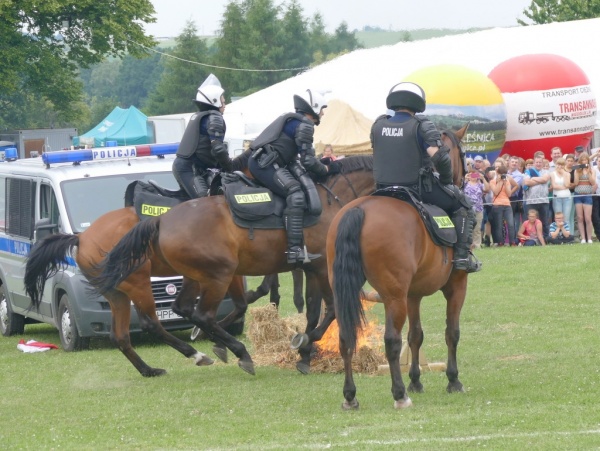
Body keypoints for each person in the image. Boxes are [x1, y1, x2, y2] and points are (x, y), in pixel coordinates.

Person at [371, 82, 481, 272]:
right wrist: (446, 180)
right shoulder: (421, 125)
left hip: (382, 189)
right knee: (463, 205)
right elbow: (440, 158)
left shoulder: (378, 124)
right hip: (417, 188)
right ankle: (462, 258)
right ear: (417, 102)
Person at [248, 89, 341, 264]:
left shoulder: (293, 119)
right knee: (296, 194)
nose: (321, 113)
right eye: (321, 109)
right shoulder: (305, 124)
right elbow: (308, 160)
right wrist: (327, 169)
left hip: (264, 161)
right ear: (312, 108)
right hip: (265, 164)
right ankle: (294, 251)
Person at [172, 74, 232, 199]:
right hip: (189, 169)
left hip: (192, 168)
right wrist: (231, 166)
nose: (224, 101)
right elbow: (218, 149)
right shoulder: (214, 117)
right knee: (206, 204)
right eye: (222, 98)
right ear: (214, 99)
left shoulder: (203, 116)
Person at [523, 151, 551, 239]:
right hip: (531, 200)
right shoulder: (528, 171)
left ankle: (546, 238)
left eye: (540, 162)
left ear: (543, 163)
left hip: (543, 201)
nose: (538, 164)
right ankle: (530, 239)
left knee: (544, 221)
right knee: (530, 221)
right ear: (534, 163)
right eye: (537, 162)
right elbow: (527, 182)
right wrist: (540, 180)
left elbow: (545, 180)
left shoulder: (546, 172)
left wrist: (534, 178)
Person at [572, 152, 597, 244]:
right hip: (578, 194)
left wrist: (587, 173)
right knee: (579, 217)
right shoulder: (577, 170)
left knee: (588, 218)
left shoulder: (591, 170)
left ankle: (589, 238)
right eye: (582, 160)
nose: (584, 161)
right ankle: (583, 238)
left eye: (585, 159)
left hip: (587, 195)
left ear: (588, 161)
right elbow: (575, 183)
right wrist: (580, 172)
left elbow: (593, 182)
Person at [463, 162, 489, 249]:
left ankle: (477, 244)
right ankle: (467, 244)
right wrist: (465, 179)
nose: (472, 176)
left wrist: (483, 178)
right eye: (471, 174)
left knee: (477, 227)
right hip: (467, 208)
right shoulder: (465, 183)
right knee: (468, 227)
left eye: (474, 175)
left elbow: (487, 189)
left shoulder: (479, 184)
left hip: (478, 208)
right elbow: (460, 189)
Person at [549, 157, 573, 227]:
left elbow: (567, 185)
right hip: (557, 198)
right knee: (558, 218)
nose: (560, 166)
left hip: (567, 198)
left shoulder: (567, 174)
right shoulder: (552, 174)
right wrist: (564, 187)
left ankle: (567, 235)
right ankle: (558, 235)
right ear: (556, 165)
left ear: (564, 165)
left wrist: (564, 173)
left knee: (566, 218)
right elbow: (554, 186)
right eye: (558, 165)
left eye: (562, 165)